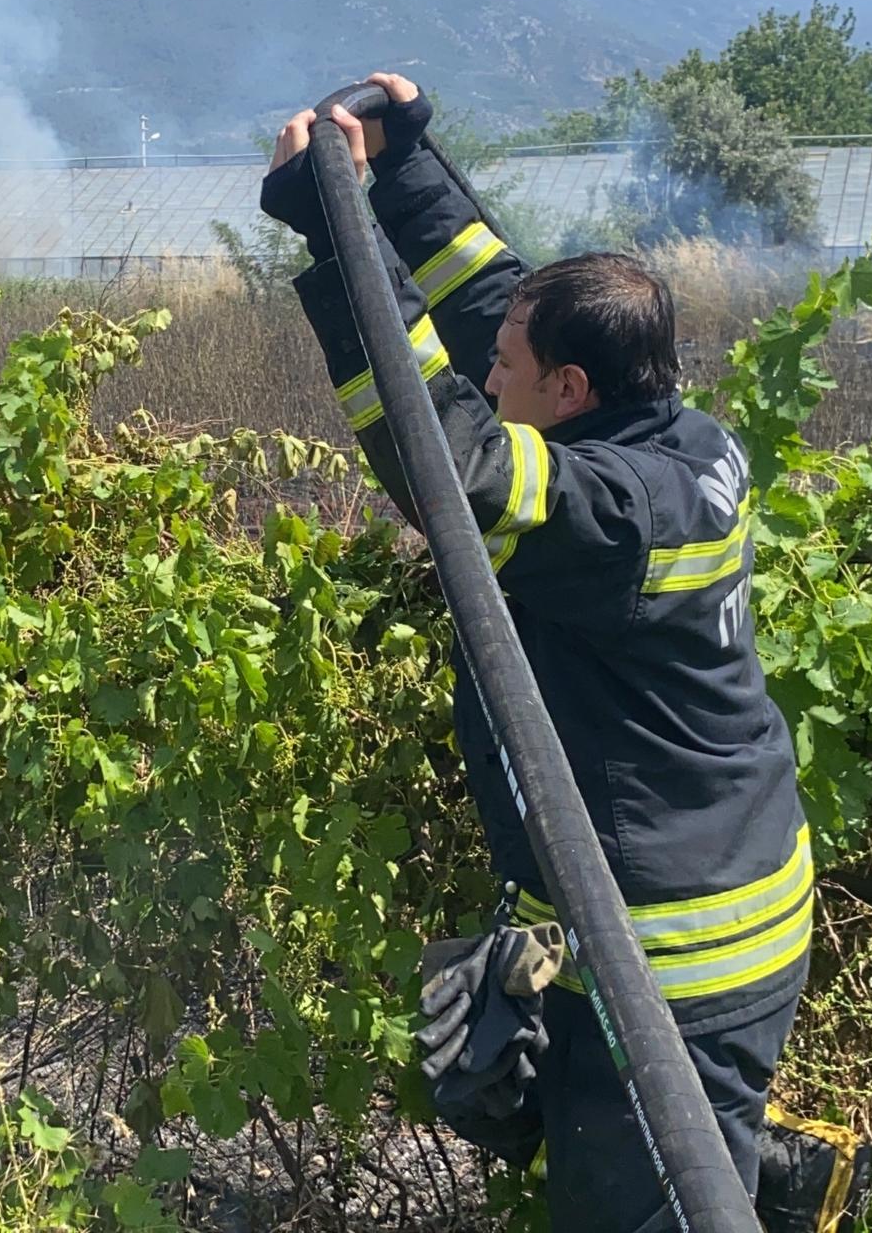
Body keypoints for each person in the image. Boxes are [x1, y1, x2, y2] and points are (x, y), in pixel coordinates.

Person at [258, 74, 811, 1230]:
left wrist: (335, 241)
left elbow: (447, 465)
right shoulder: (676, 434)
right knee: (698, 1164)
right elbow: (500, 304)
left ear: (570, 389)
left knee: (643, 1207)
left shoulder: (609, 510)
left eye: (509, 372)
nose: (487, 374)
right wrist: (401, 165)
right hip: (737, 893)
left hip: (671, 969)